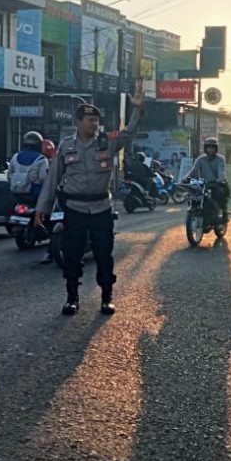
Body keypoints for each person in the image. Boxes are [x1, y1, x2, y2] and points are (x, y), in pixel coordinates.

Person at [35, 82, 145, 316]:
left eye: (96, 120)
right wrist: (41, 208)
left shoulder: (108, 141)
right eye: (89, 120)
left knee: (104, 255)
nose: (94, 124)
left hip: (101, 208)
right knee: (72, 255)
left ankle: (106, 297)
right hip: (74, 208)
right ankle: (72, 297)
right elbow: (53, 178)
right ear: (78, 122)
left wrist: (137, 109)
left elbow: (129, 133)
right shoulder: (66, 146)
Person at [186, 137, 228, 221]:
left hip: (216, 183)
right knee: (192, 193)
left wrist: (219, 179)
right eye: (209, 147)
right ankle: (195, 209)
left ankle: (224, 213)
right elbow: (194, 170)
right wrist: (186, 179)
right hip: (203, 183)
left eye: (213, 147)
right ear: (205, 148)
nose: (210, 149)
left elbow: (221, 171)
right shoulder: (200, 159)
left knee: (220, 193)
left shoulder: (220, 159)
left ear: (216, 148)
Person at [7, 130, 50, 201]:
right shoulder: (42, 159)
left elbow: (9, 175)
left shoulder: (15, 156)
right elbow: (43, 177)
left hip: (15, 193)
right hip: (35, 193)